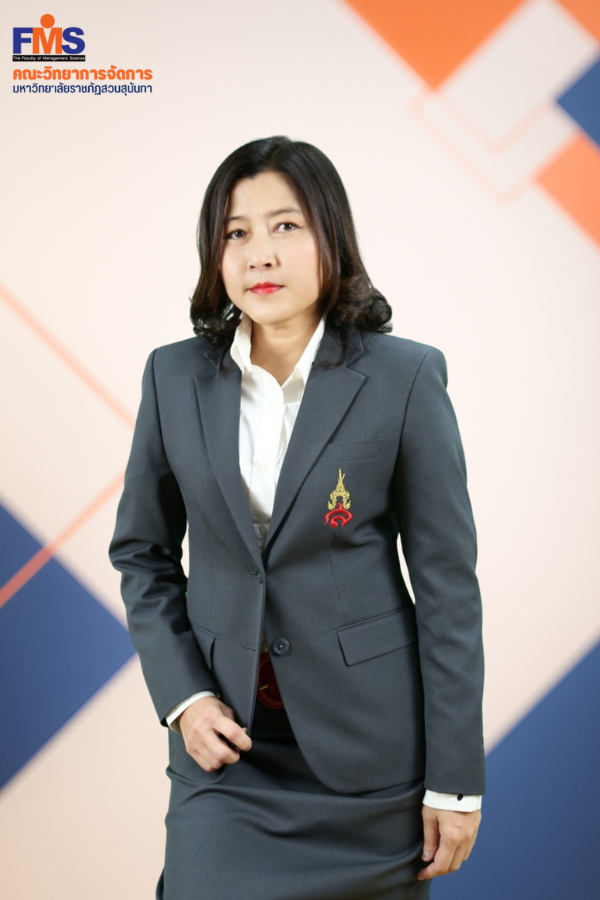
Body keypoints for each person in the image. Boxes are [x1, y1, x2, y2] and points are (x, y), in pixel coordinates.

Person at [109, 135, 485, 899]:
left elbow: (448, 588)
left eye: (286, 226)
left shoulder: (405, 377)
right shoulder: (172, 376)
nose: (260, 254)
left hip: (370, 754)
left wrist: (456, 780)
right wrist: (184, 698)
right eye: (235, 232)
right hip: (228, 747)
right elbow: (142, 553)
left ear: (330, 236)